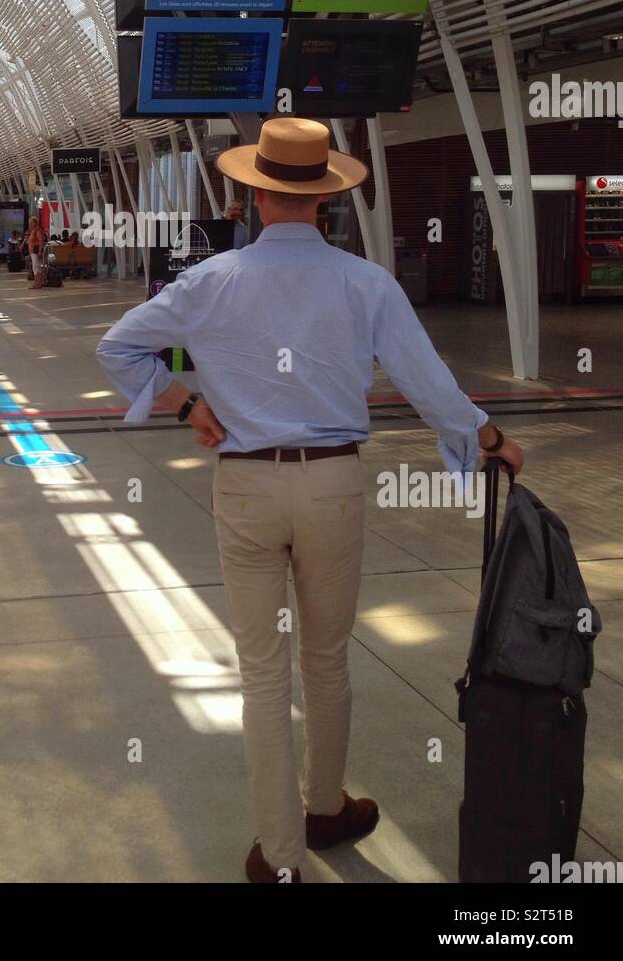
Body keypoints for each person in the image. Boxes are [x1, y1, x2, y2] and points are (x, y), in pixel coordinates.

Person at [96, 117, 525, 885]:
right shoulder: (366, 283)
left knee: (262, 673)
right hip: (333, 483)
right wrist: (486, 438)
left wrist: (185, 405)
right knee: (326, 657)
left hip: (246, 485)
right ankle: (326, 806)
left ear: (257, 196)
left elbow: (119, 344)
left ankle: (281, 857)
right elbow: (427, 381)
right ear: (324, 201)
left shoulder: (210, 281)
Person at [25, 215, 45, 280]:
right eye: (29, 222)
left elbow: (41, 241)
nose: (30, 224)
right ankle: (37, 282)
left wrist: (39, 251)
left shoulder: (37, 230)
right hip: (32, 251)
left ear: (35, 223)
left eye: (31, 222)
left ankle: (38, 283)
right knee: (35, 267)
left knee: (36, 267)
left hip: (36, 251)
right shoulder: (33, 230)